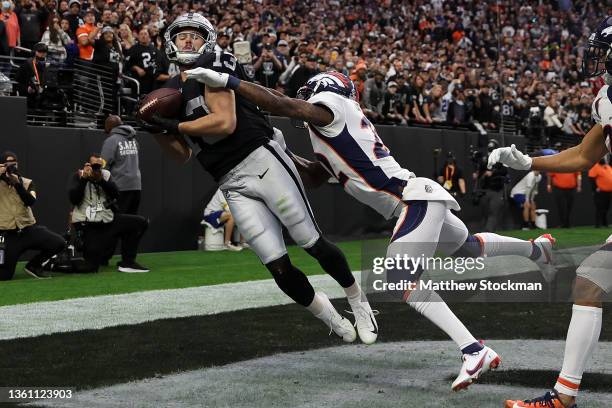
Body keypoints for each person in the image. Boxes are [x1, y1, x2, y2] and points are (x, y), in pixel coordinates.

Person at [186, 67, 557, 391]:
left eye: (310, 93)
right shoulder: (329, 128)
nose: (307, 101)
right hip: (413, 198)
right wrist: (280, 151)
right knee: (470, 248)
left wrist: (231, 81)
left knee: (398, 278)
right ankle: (537, 249)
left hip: (411, 198)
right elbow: (316, 176)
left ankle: (474, 350)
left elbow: (286, 106)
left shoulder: (333, 109)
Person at [140, 12, 378, 346]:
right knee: (277, 265)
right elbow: (181, 155)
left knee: (311, 242)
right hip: (229, 179)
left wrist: (175, 126)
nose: (190, 41)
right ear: (171, 43)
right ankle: (329, 316)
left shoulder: (215, 61)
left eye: (196, 35)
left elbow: (224, 123)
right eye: (182, 36)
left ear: (207, 39)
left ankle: (358, 301)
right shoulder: (169, 90)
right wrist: (155, 129)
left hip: (260, 159)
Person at [487, 16, 612, 408]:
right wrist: (528, 164)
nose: (601, 60)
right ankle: (563, 397)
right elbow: (583, 154)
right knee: (589, 283)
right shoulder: (606, 99)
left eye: (606, 52)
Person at [68, 153, 149, 273]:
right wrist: (84, 179)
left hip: (107, 220)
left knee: (139, 223)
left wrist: (101, 181)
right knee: (91, 267)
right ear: (87, 165)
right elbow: (74, 199)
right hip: (88, 224)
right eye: (93, 165)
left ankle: (128, 262)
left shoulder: (105, 175)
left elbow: (116, 194)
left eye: (99, 166)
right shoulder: (78, 176)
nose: (96, 169)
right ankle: (57, 265)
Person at [0, 151, 65, 280]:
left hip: (28, 229)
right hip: (7, 235)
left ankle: (34, 266)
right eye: (7, 163)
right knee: (4, 276)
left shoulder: (26, 182)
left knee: (58, 243)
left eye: (14, 163)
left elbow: (30, 201)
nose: (11, 167)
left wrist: (17, 184)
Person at [101, 115, 141, 214]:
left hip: (120, 187)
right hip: (136, 186)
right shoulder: (133, 139)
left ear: (109, 126)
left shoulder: (111, 141)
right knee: (131, 219)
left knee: (119, 220)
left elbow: (103, 166)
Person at [15, 42, 47, 108]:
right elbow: (18, 79)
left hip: (42, 97)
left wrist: (42, 88)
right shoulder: (27, 64)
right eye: (40, 51)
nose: (42, 54)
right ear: (35, 52)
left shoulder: (46, 65)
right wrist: (27, 89)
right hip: (28, 95)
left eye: (44, 52)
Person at [587, 156, 612, 228]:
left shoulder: (608, 167)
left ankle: (605, 223)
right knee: (600, 208)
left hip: (609, 192)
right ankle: (597, 224)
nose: (603, 159)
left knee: (606, 208)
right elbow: (591, 179)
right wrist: (595, 188)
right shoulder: (595, 167)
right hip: (600, 192)